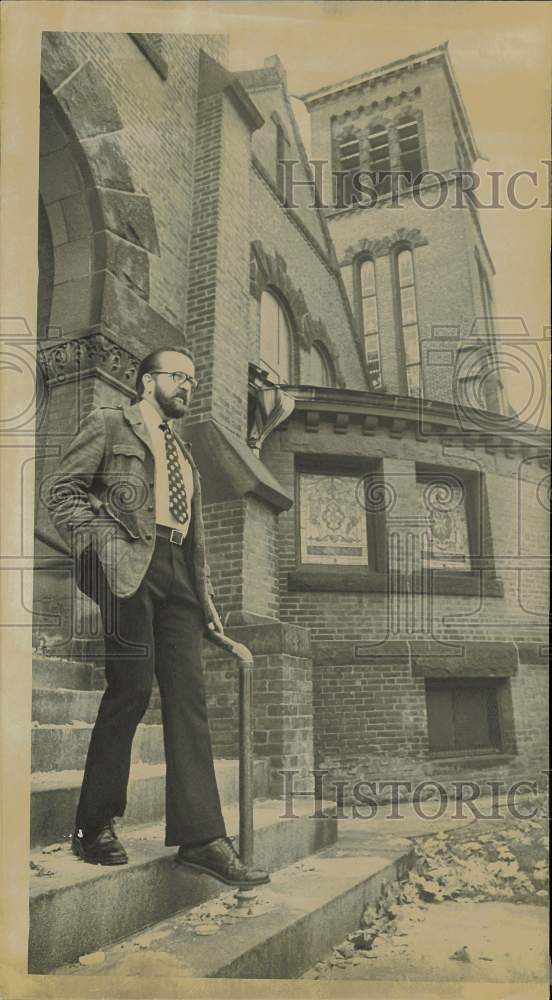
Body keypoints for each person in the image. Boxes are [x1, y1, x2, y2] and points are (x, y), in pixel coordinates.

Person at [47, 346, 269, 888]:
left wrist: (207, 605)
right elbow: (61, 491)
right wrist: (104, 542)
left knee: (189, 701)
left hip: (180, 581)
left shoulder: (184, 453)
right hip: (130, 567)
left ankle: (200, 837)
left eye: (193, 380)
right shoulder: (108, 424)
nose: (188, 386)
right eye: (178, 377)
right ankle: (94, 824)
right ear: (148, 383)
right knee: (131, 689)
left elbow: (192, 538)